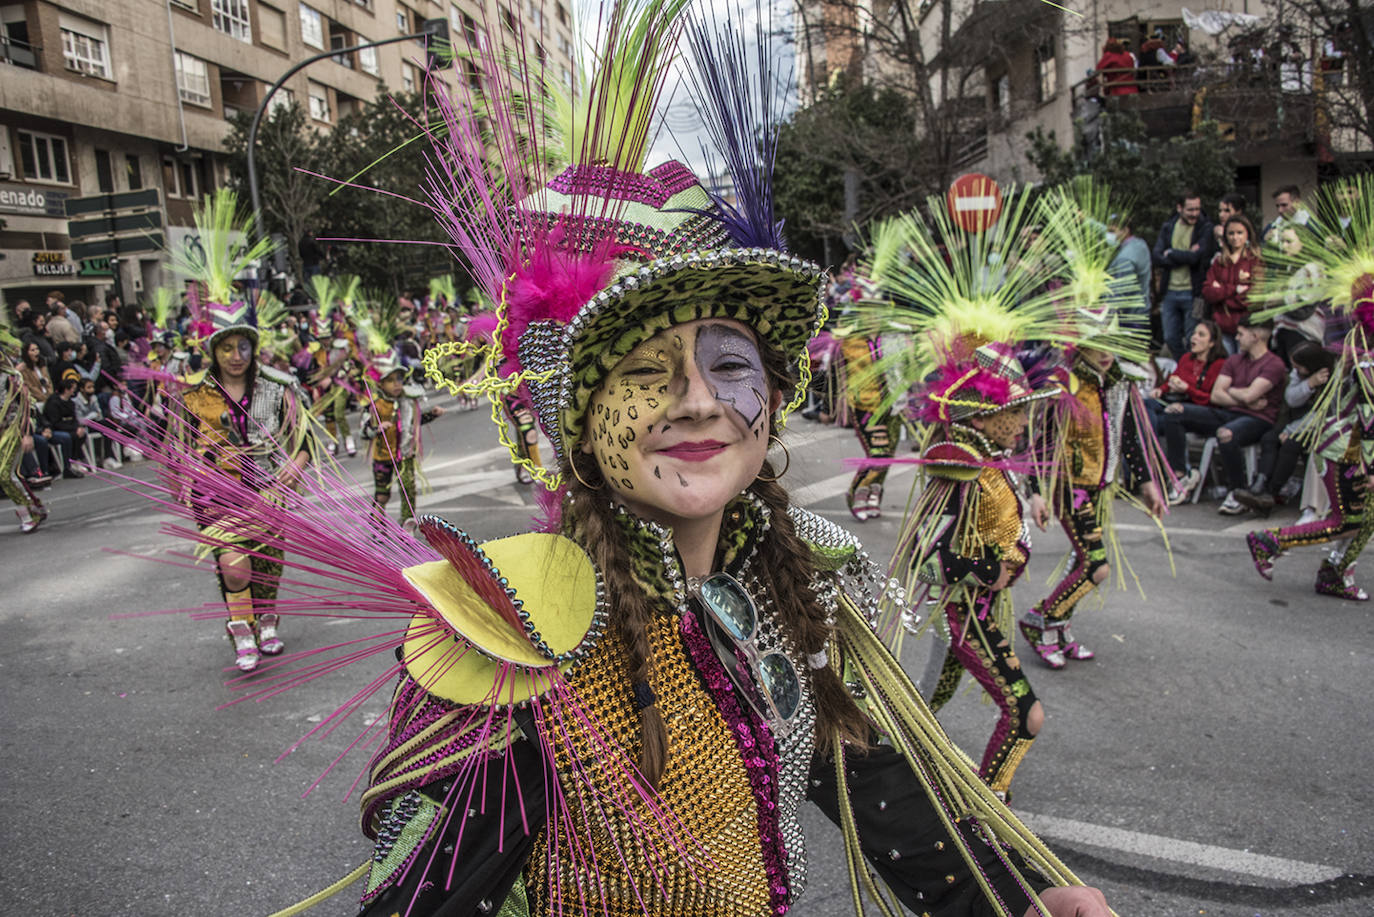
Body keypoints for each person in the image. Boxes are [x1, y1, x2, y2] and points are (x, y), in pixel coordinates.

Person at [901, 342, 1059, 802]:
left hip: (979, 610)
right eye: (1017, 412)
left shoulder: (988, 457)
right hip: (965, 615)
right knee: (1026, 714)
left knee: (922, 707)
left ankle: (883, 760)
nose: (1025, 422)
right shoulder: (959, 465)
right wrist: (990, 572)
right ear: (983, 419)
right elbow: (923, 557)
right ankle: (988, 812)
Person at [1233, 340, 1332, 514]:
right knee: (1269, 438)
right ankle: (1259, 484)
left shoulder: (1329, 377)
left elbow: (1321, 414)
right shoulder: (1301, 375)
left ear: (1310, 365)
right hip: (1295, 421)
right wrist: (1309, 384)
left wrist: (1291, 430)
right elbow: (1291, 399)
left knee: (1291, 444)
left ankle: (1271, 493)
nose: (1295, 370)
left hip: (1319, 426)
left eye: (1299, 367)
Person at [1209, 319, 1288, 514]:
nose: (1236, 338)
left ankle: (1237, 492)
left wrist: (1232, 391)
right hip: (1229, 412)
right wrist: (1243, 398)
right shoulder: (1234, 360)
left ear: (1255, 336)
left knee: (1226, 434)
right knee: (1176, 412)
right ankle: (1181, 477)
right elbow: (1216, 395)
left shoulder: (1274, 364)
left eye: (1240, 334)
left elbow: (1250, 395)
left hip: (1258, 419)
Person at [359, 350, 444, 526]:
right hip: (383, 456)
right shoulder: (375, 405)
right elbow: (363, 431)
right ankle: (377, 526)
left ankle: (407, 524)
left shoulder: (407, 400)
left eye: (399, 379)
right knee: (382, 495)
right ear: (381, 384)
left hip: (405, 454)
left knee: (408, 487)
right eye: (390, 380)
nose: (397, 384)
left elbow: (414, 421)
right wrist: (376, 429)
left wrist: (432, 414)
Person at [1147, 320, 1228, 502]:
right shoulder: (1186, 359)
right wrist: (1161, 389)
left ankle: (1180, 474)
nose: (1194, 338)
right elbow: (1173, 379)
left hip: (1206, 411)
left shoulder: (1219, 364)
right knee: (1146, 407)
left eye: (1201, 335)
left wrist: (1187, 389)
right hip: (1180, 404)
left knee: (1172, 415)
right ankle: (1149, 464)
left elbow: (1212, 398)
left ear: (1212, 343)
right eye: (1194, 333)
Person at [1152, 191, 1214, 360]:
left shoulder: (1205, 228)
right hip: (1170, 292)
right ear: (1179, 208)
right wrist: (1185, 255)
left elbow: (1196, 258)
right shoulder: (1168, 227)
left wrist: (1171, 253)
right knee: (1170, 337)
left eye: (1197, 209)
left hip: (1194, 293)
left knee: (1193, 338)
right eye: (1190, 210)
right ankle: (1183, 364)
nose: (1195, 214)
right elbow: (1157, 256)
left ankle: (1190, 368)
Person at [1, 320, 49, 532]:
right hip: (2, 432)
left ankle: (28, 515)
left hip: (15, 430)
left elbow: (28, 406)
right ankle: (34, 507)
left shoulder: (12, 379)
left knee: (4, 474)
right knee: (9, 475)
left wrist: (27, 433)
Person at [1201, 214, 1263, 352]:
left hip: (1246, 328)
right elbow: (1207, 292)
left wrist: (1221, 297)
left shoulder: (1255, 261)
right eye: (1231, 233)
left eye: (1239, 233)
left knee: (1243, 363)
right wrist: (1234, 290)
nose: (1235, 237)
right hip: (1222, 328)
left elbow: (1253, 297)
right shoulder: (1219, 262)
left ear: (1248, 234)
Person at [42, 376, 87, 479]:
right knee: (68, 437)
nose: (74, 391)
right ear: (66, 390)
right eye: (73, 389)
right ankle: (68, 465)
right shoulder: (53, 403)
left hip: (68, 427)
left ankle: (75, 459)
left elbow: (74, 418)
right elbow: (55, 422)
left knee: (81, 434)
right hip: (55, 429)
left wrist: (78, 427)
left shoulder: (70, 403)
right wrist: (73, 429)